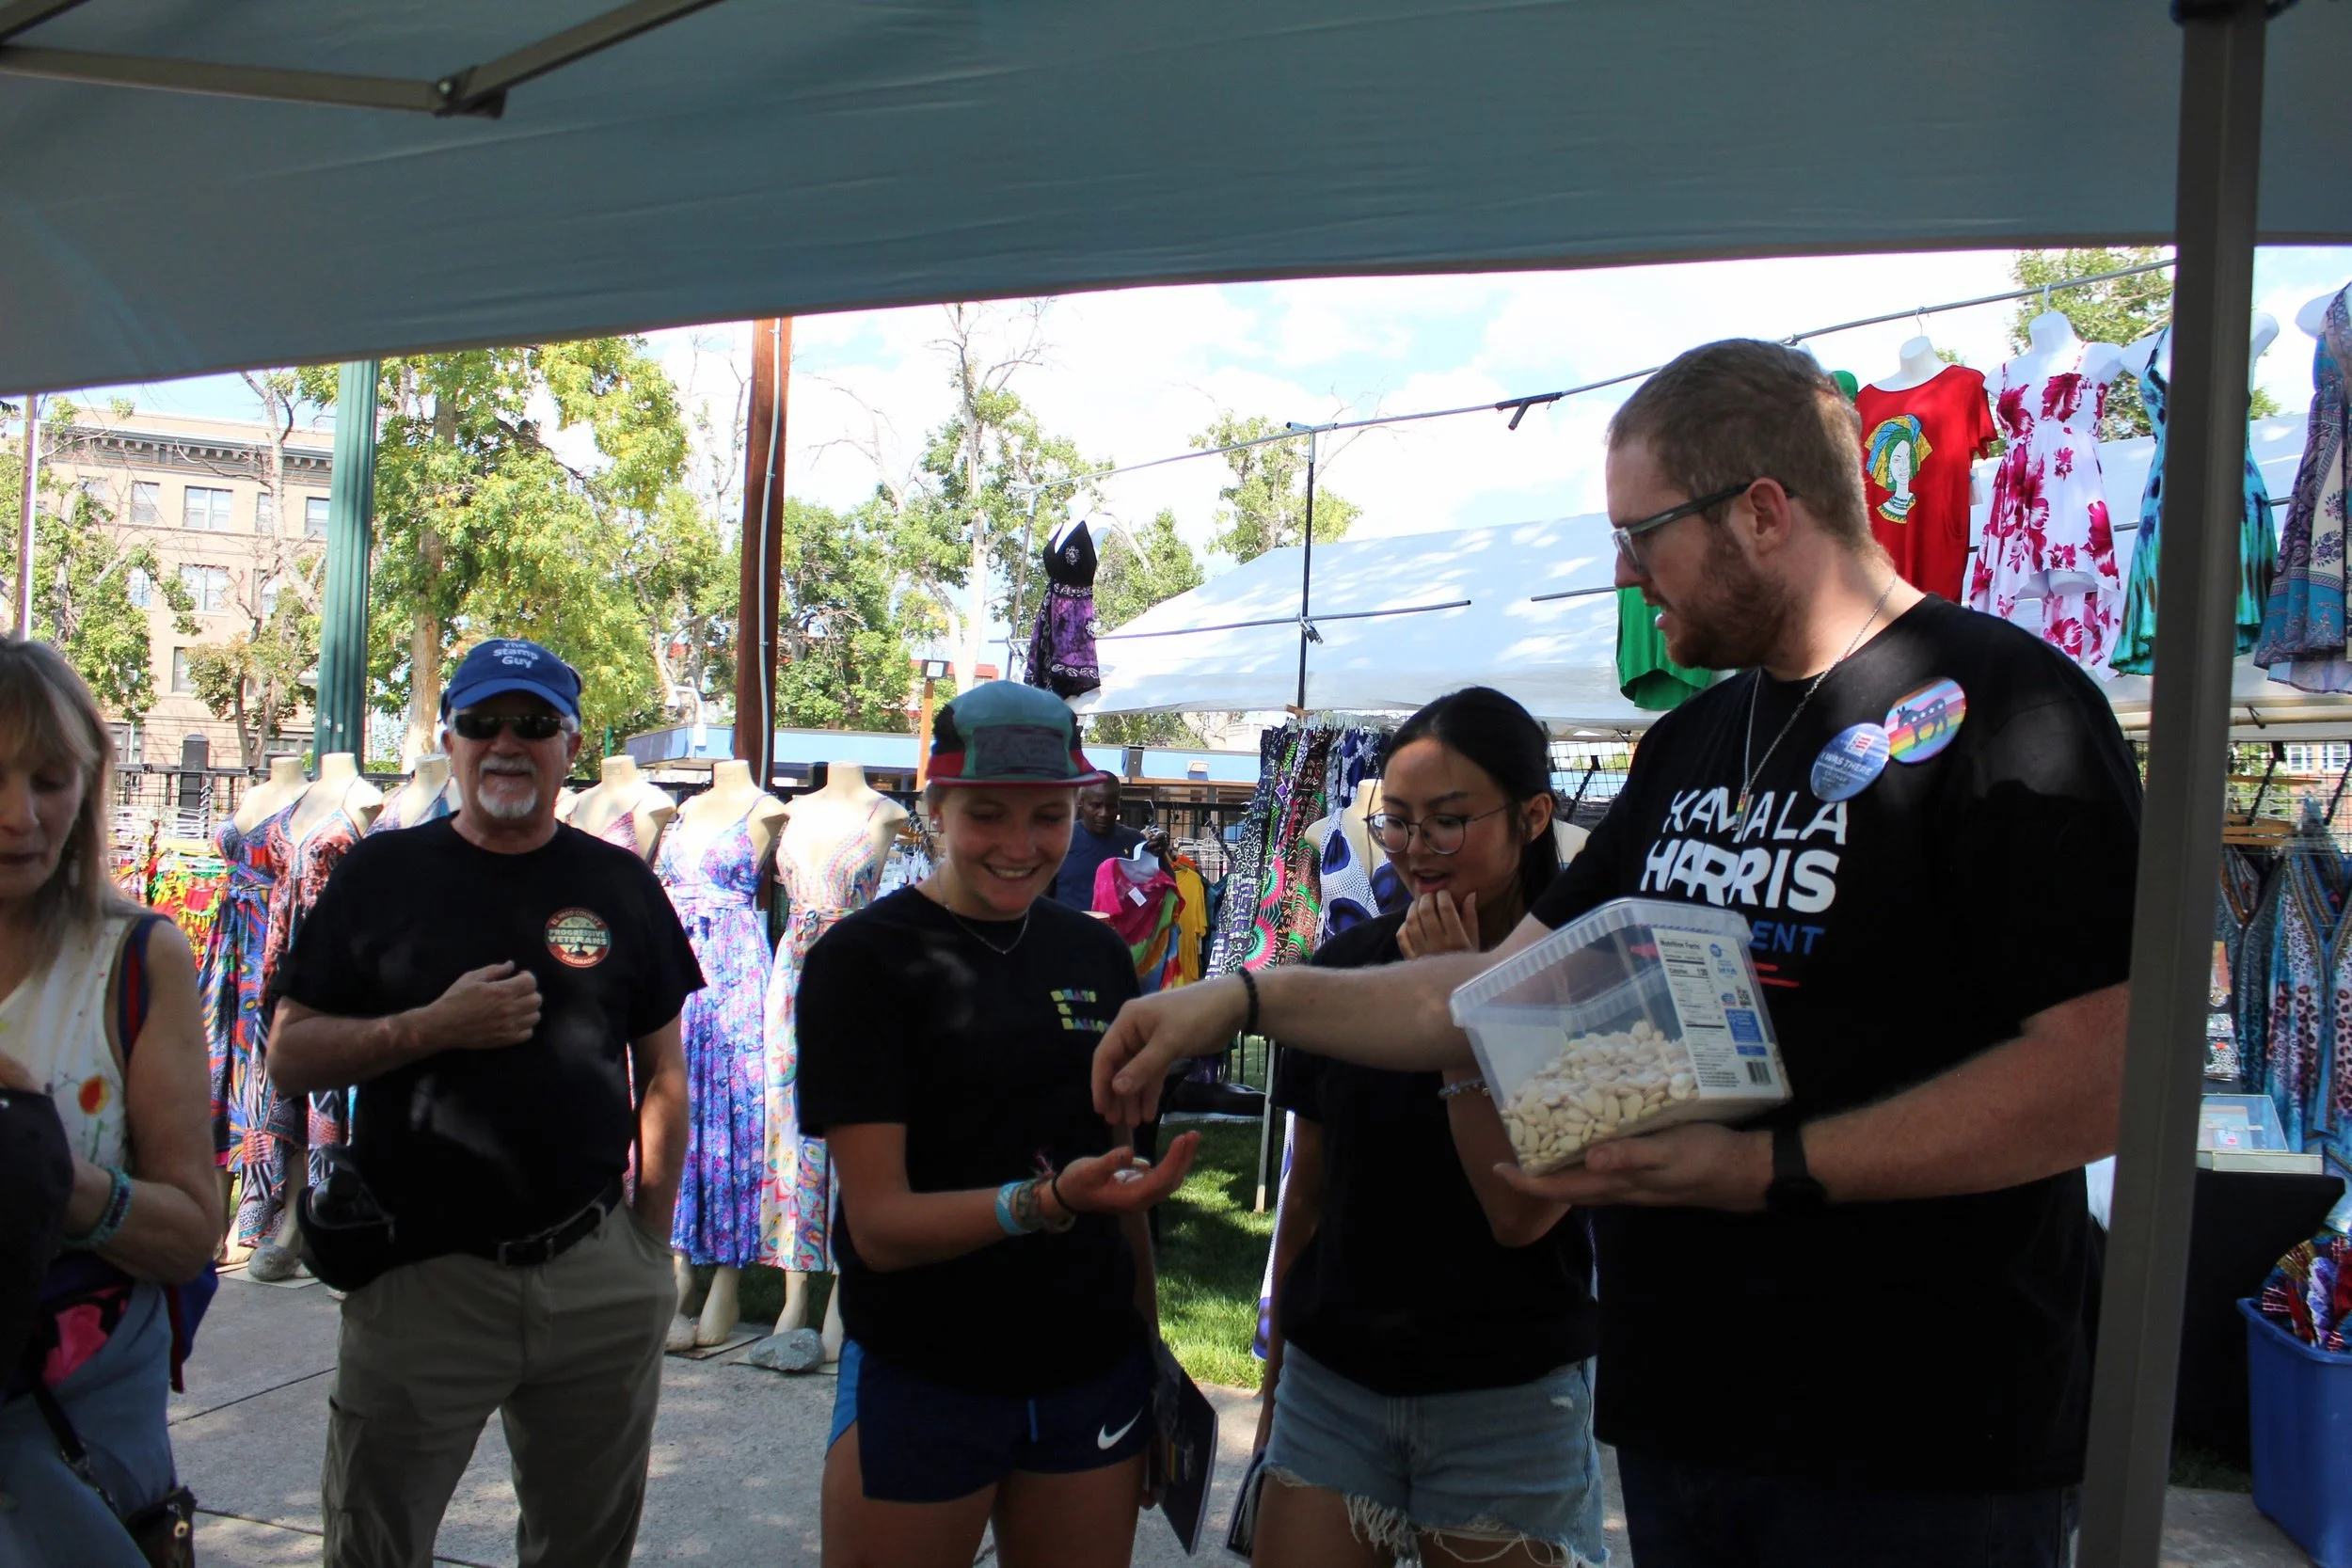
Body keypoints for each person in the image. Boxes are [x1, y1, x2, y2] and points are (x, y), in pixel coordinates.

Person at [1096, 340, 2139, 1568]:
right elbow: (1487, 993)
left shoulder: (2012, 710)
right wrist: (1246, 995)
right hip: (1688, 1415)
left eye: (1640, 534)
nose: (1622, 571)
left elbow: (2105, 1070)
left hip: (1923, 1443)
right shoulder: (1693, 741)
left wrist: (1765, 1170)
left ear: (1760, 511)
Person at [266, 638, 701, 1568]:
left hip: (593, 1274)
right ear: (449, 738)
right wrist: (427, 1025)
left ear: (569, 745)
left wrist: (646, 1246)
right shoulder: (380, 877)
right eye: (483, 721)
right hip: (422, 1280)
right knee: (376, 1544)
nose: (508, 742)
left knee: (583, 1549)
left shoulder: (618, 883)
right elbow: (288, 1057)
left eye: (534, 723)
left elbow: (663, 1072)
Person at [798, 681, 1200, 1568]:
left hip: (1088, 1371)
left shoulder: (1096, 952)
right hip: (924, 1367)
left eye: (1048, 818)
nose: (1021, 848)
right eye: (987, 815)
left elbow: (1118, 1178)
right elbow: (880, 1225)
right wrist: (1045, 1200)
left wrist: (1150, 1360)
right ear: (935, 808)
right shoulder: (861, 964)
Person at [1255, 687, 1607, 1568]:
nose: (1416, 849)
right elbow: (1309, 1189)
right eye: (1399, 821)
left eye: (1448, 822)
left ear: (1533, 817)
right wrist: (1277, 1376)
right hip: (1336, 1384)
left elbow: (1521, 1212)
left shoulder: (1586, 976)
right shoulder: (1346, 968)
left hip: (1507, 1395)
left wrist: (1457, 1000)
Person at [0, 637, 220, 1567]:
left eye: (51, 780)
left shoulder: (135, 958)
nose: (21, 816)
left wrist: (59, 1178)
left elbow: (190, 1230)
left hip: (69, 1436)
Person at [1051, 774, 1151, 909]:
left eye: (1111, 806)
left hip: (1117, 929)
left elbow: (1157, 891)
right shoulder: (1060, 838)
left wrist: (1159, 856)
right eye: (1096, 805)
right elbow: (1042, 897)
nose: (1104, 813)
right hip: (1068, 928)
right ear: (1081, 802)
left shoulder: (1135, 842)